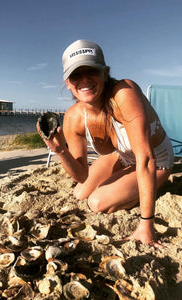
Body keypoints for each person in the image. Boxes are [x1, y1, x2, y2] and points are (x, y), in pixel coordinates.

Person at [38, 39, 174, 246]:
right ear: (67, 82)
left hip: (156, 159)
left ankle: (151, 188)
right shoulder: (74, 117)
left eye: (91, 71)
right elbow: (82, 174)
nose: (84, 79)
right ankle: (132, 186)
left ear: (105, 72)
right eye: (76, 74)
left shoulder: (123, 94)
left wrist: (147, 224)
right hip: (122, 155)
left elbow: (146, 159)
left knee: (97, 202)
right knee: (80, 193)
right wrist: (60, 151)